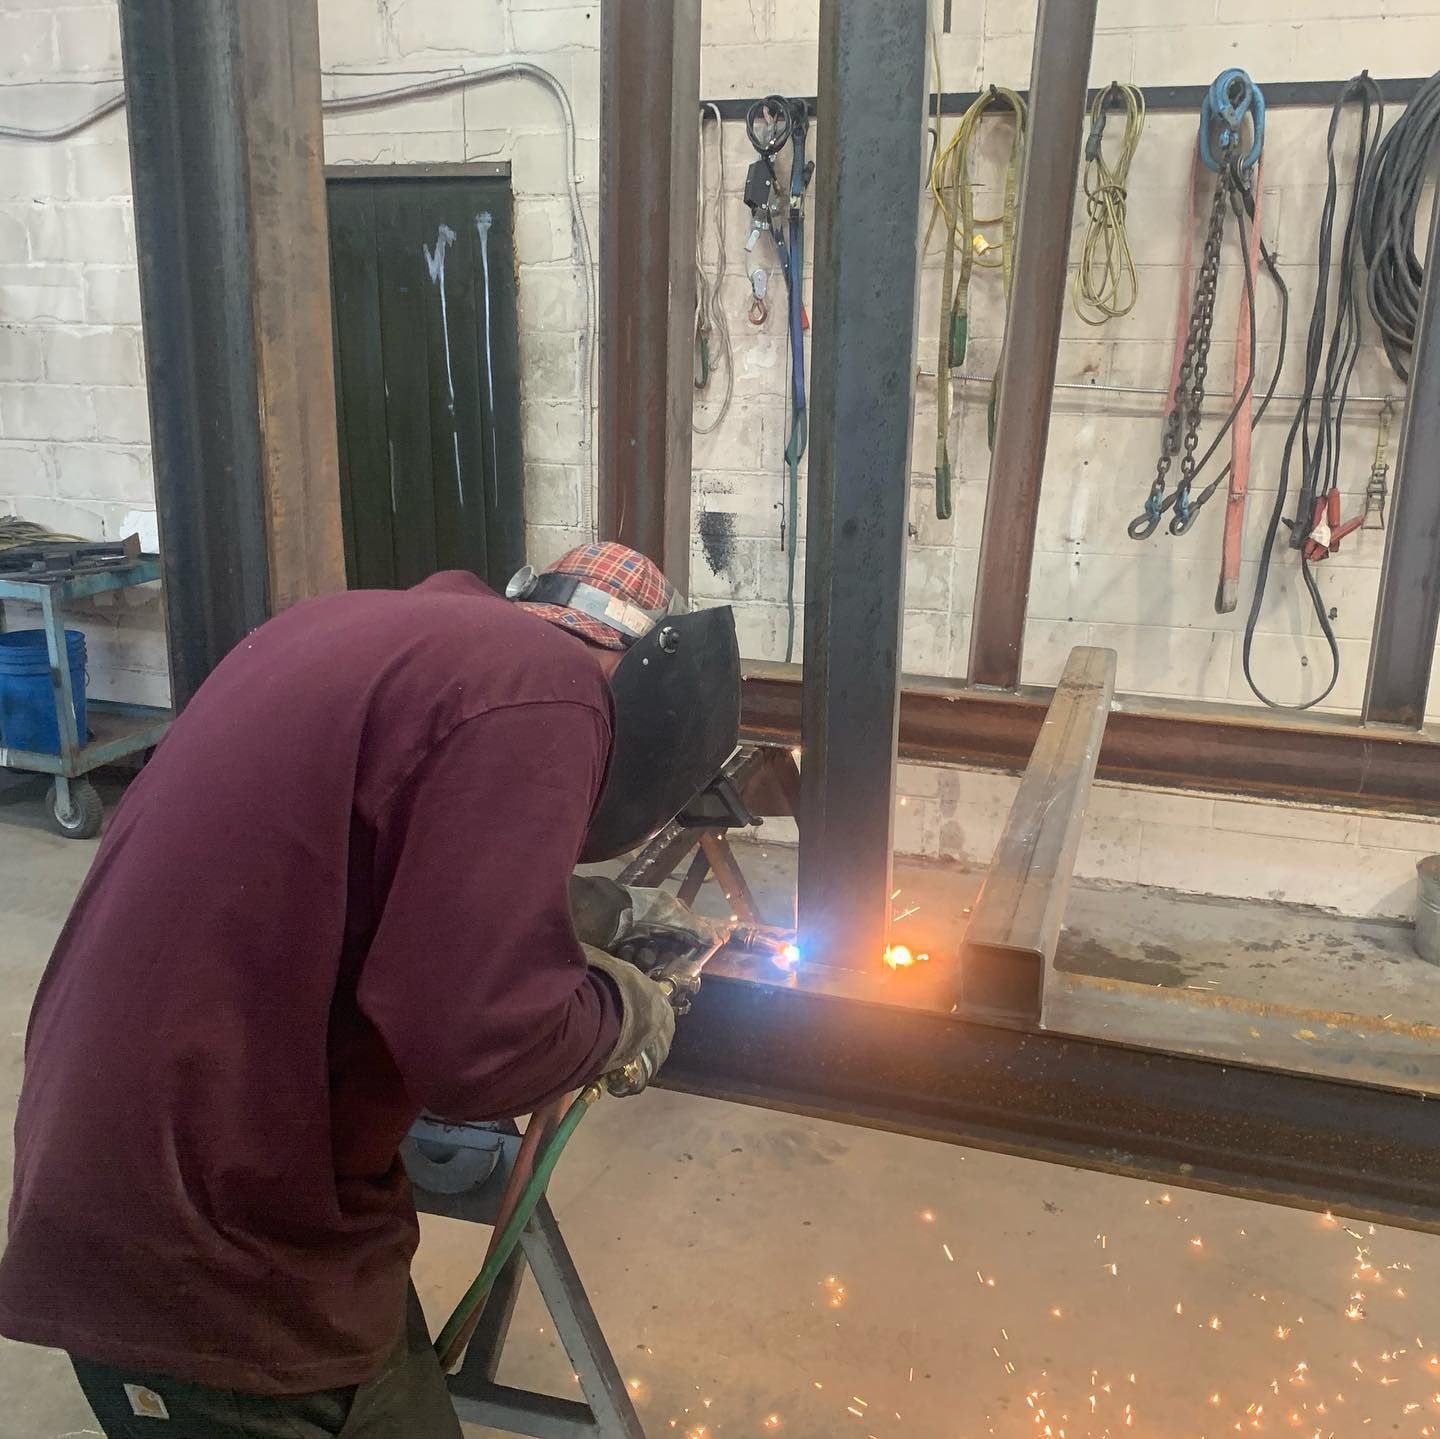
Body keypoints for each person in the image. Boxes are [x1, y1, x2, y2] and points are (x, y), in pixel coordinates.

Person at [0, 542, 740, 1438]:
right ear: (646, 689)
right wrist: (620, 1015)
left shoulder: (368, 629)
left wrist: (587, 911)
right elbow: (485, 1044)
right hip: (218, 1248)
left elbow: (356, 852)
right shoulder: (548, 690)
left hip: (117, 1164)